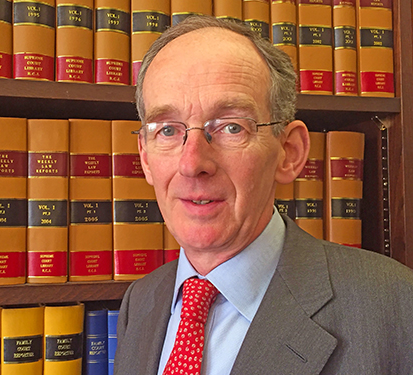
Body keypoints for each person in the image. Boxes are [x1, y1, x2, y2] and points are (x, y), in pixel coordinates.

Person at [113, 16, 413, 375]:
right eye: (167, 130)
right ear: (145, 158)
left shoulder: (395, 307)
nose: (192, 164)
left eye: (230, 127)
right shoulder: (141, 302)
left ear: (289, 153)